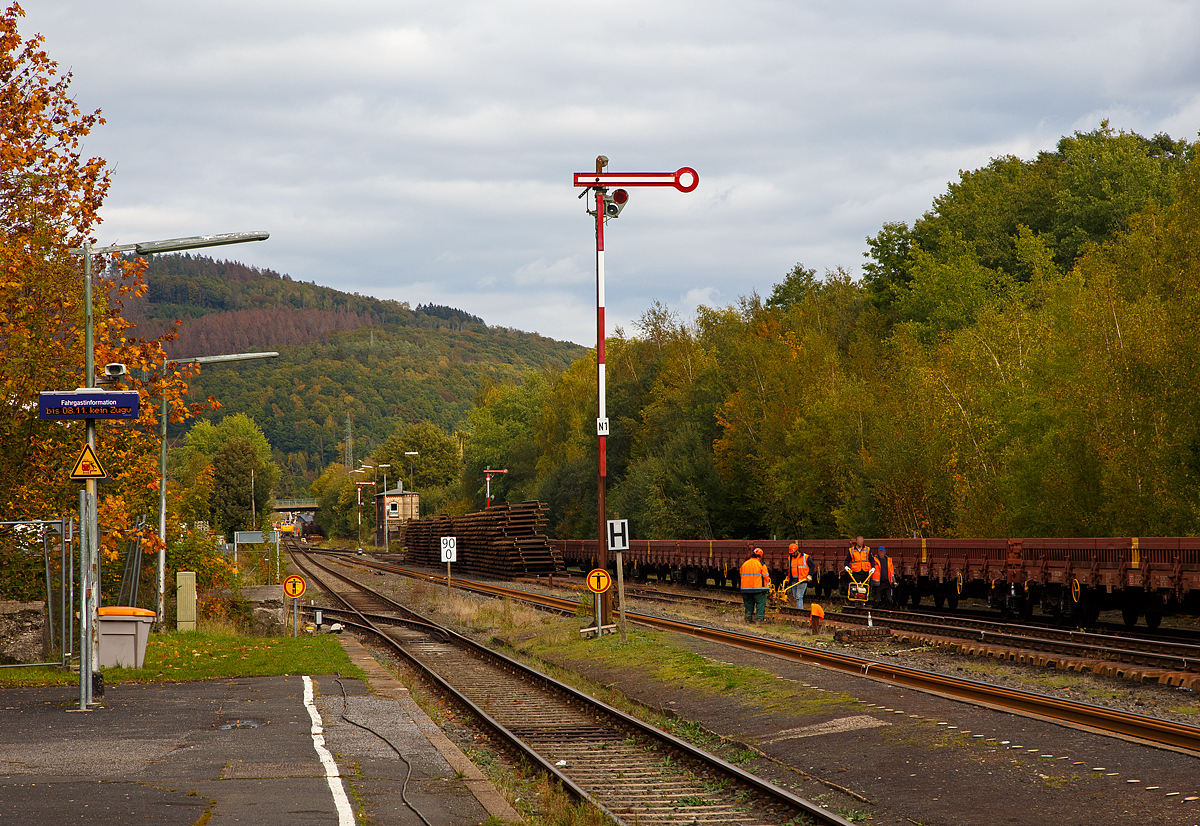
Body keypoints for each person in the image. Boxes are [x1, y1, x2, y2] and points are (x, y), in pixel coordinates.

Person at [739, 547, 770, 623]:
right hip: (758, 589)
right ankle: (759, 619)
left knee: (748, 605)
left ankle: (747, 619)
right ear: (759, 557)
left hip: (746, 589)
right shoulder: (761, 564)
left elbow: (741, 575)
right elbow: (766, 577)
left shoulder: (744, 564)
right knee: (760, 604)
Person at [785, 542, 812, 610]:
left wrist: (810, 575)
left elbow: (812, 566)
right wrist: (787, 576)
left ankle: (800, 611)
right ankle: (799, 610)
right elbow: (789, 568)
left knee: (798, 596)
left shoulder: (805, 557)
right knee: (795, 597)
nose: (793, 554)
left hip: (802, 580)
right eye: (791, 553)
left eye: (794, 553)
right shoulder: (790, 558)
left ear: (797, 551)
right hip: (793, 581)